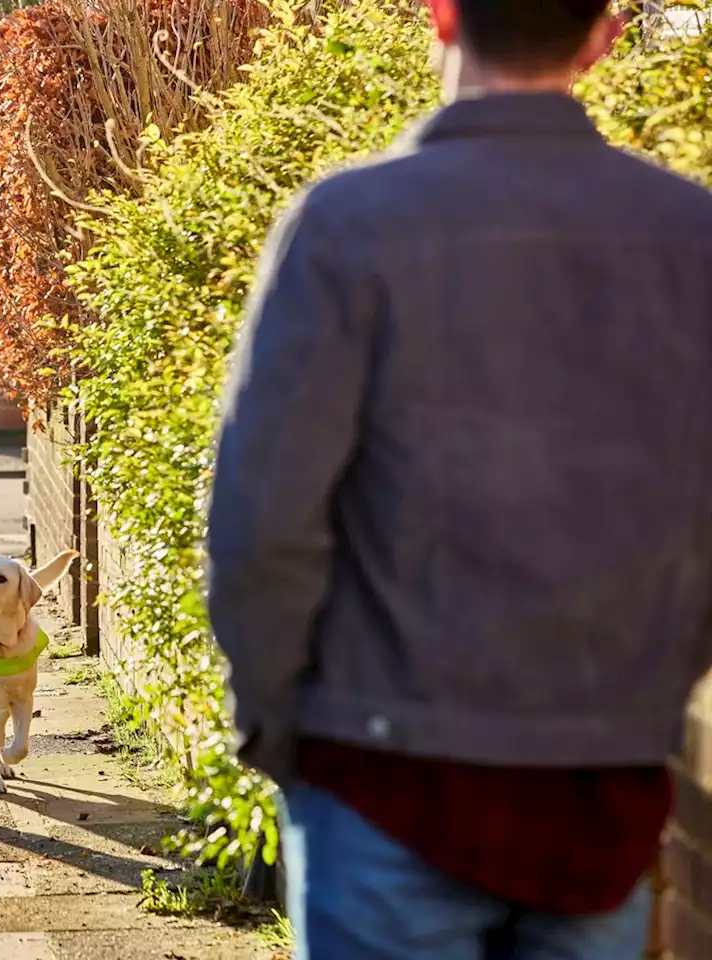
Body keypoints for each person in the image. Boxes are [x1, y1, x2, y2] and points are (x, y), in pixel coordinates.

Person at [207, 1, 712, 958]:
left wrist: (277, 726)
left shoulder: (348, 224)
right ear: (603, 37)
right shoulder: (693, 237)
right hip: (598, 787)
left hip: (379, 775)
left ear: (440, 17)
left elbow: (264, 518)